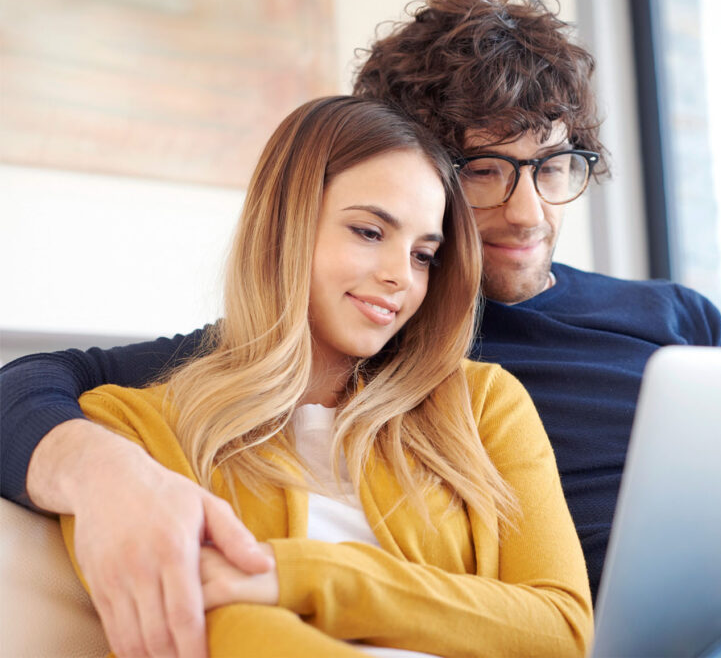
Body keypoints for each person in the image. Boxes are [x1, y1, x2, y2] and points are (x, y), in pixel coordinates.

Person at [0, 0, 721, 657]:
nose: (524, 213)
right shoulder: (350, 346)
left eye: (552, 166)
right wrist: (104, 475)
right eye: (482, 171)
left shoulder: (673, 320)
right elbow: (38, 384)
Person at [57, 95, 592, 657]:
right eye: (368, 232)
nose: (398, 278)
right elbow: (205, 630)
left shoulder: (482, 404)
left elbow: (561, 631)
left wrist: (295, 575)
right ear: (286, 224)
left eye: (422, 255)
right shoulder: (134, 430)